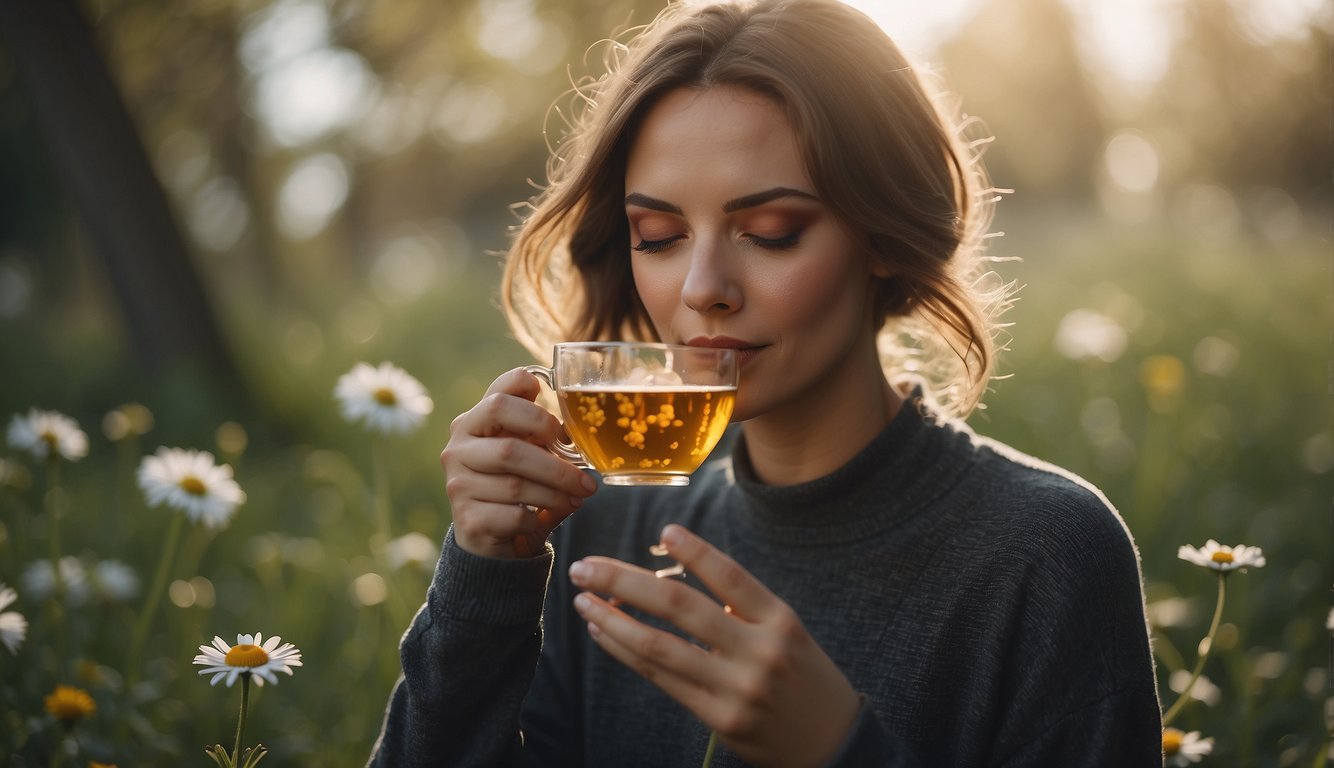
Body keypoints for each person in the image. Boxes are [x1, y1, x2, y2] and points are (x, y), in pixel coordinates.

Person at [368, 0, 1162, 765]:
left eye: (771, 232)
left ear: (881, 233)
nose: (702, 286)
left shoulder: (1046, 553)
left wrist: (838, 753)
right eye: (660, 236)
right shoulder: (597, 525)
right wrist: (482, 577)